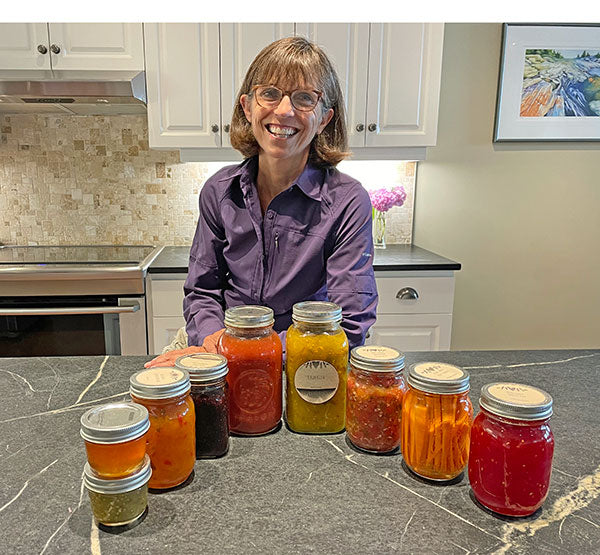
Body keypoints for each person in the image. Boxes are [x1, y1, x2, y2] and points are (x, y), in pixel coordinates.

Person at [146, 37, 377, 368]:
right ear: (247, 106)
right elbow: (202, 292)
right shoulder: (218, 191)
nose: (284, 111)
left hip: (306, 358)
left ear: (324, 118)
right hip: (220, 349)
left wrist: (244, 353)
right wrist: (214, 341)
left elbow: (349, 322)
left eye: (304, 98)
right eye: (269, 93)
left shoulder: (347, 202)